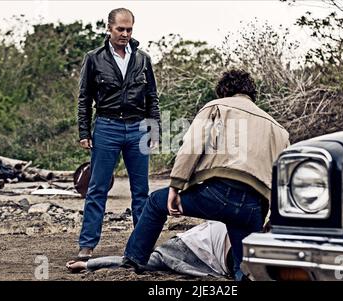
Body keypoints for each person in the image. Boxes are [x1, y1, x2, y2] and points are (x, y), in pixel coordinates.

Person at [121, 69, 290, 281]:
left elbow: (191, 147)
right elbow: (284, 180)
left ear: (224, 91)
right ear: (251, 93)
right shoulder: (279, 130)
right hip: (252, 208)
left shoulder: (216, 107)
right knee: (244, 270)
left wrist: (175, 186)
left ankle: (131, 261)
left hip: (217, 195)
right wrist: (273, 219)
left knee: (156, 201)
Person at [77, 7, 160, 260]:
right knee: (97, 188)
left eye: (129, 29)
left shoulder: (143, 59)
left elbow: (152, 98)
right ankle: (87, 245)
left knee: (141, 192)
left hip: (138, 129)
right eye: (120, 29)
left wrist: (154, 130)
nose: (125, 34)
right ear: (109, 28)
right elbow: (84, 98)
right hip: (106, 127)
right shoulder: (94, 58)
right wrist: (84, 131)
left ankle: (142, 246)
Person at [66, 221, 233, 278]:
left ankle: (86, 264)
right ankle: (85, 264)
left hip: (195, 246)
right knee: (135, 263)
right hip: (186, 247)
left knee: (137, 263)